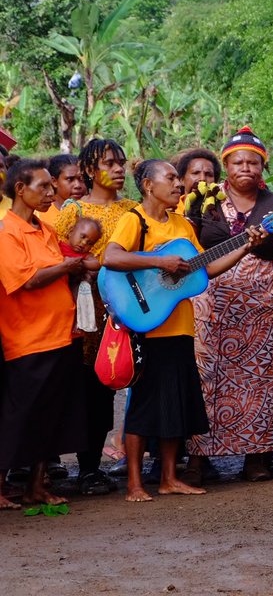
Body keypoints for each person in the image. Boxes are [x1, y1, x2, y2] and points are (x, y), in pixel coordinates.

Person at [104, 159, 268, 502]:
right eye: (171, 178)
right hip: (146, 327)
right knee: (143, 408)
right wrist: (159, 262)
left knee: (175, 404)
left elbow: (205, 269)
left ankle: (168, 478)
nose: (179, 184)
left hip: (179, 328)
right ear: (149, 186)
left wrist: (244, 246)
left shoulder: (181, 224)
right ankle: (135, 483)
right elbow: (112, 257)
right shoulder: (135, 220)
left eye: (179, 179)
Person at [185, 127, 273, 483]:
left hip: (261, 304)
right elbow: (187, 246)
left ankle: (258, 455)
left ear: (262, 167)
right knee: (205, 378)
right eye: (238, 162)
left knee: (260, 379)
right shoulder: (202, 200)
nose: (246, 167)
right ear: (227, 165)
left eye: (254, 162)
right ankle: (199, 458)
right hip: (211, 302)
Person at [0, 159, 86, 507]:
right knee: (18, 416)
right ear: (20, 189)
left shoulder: (46, 229)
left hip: (60, 335)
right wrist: (67, 266)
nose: (51, 193)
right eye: (43, 187)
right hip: (26, 338)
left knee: (50, 416)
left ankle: (38, 485)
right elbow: (26, 280)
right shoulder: (7, 232)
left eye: (52, 187)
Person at [53, 137, 137, 497]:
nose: (118, 170)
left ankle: (128, 463)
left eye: (121, 163)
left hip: (131, 310)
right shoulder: (73, 211)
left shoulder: (134, 209)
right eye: (109, 164)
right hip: (88, 314)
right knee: (92, 387)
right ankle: (88, 468)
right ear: (89, 170)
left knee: (123, 381)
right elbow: (58, 256)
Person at [38, 154, 86, 226]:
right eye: (70, 179)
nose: (78, 185)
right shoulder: (39, 216)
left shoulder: (95, 212)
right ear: (54, 182)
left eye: (81, 179)